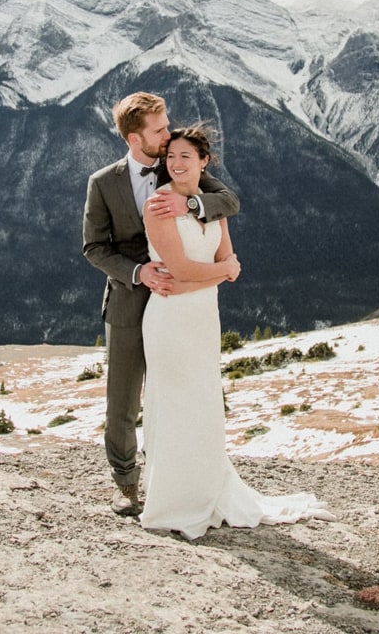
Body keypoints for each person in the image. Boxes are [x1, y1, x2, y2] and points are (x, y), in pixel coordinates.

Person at [138, 125, 333, 539]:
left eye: (185, 156)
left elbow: (226, 261)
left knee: (204, 404)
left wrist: (215, 272)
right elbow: (190, 270)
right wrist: (219, 272)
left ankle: (205, 488)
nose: (175, 163)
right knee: (174, 404)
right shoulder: (158, 205)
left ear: (204, 162)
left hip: (202, 318)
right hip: (170, 320)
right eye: (170, 157)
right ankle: (173, 500)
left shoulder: (213, 207)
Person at [82, 92, 240, 516]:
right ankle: (126, 484)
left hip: (180, 305)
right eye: (159, 129)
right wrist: (138, 273)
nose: (168, 134)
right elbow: (94, 247)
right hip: (129, 302)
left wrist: (191, 202)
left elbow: (229, 201)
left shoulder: (180, 168)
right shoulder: (103, 182)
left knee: (175, 395)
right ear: (135, 139)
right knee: (123, 400)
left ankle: (170, 479)